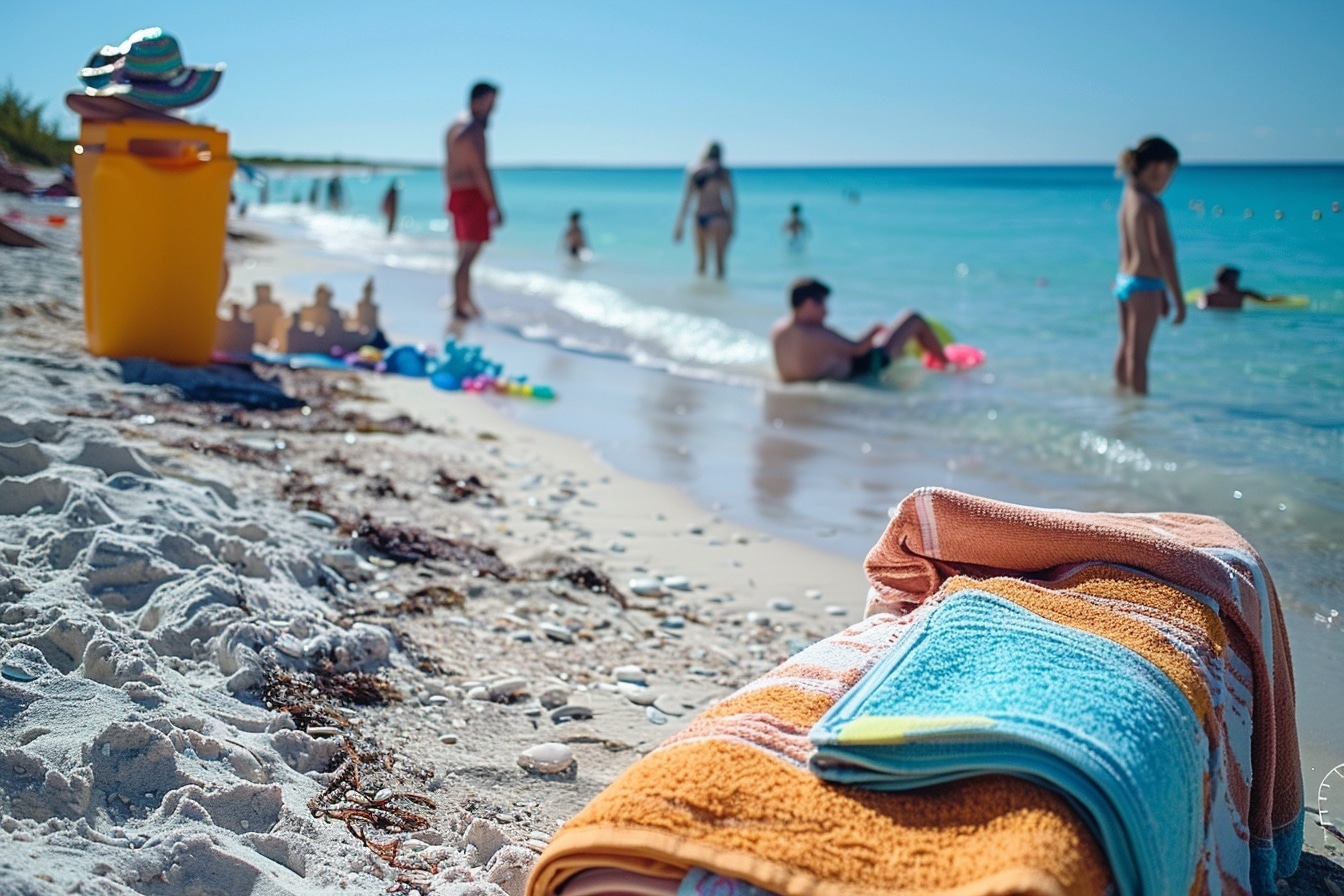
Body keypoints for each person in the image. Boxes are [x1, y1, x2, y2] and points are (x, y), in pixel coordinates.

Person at [770, 277, 948, 383]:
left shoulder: (778, 328)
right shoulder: (816, 333)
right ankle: (948, 364)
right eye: (823, 305)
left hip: (810, 379)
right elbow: (858, 348)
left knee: (897, 349)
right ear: (809, 304)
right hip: (862, 370)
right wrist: (873, 331)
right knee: (913, 318)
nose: (826, 311)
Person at [1113, 136, 1185, 395]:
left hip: (1124, 281)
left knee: (1126, 348)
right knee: (1139, 357)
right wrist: (1178, 300)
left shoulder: (1129, 197)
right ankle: (1138, 415)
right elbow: (1163, 254)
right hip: (1145, 285)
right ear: (1159, 168)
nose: (1169, 181)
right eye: (1171, 173)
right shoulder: (1152, 206)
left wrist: (1161, 292)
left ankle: (1120, 401)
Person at [445, 81, 503, 320]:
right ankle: (460, 305)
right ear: (477, 101)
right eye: (490, 103)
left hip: (456, 192)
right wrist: (495, 205)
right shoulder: (474, 130)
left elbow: (448, 167)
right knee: (470, 254)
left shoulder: (453, 127)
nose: (494, 109)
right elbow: (481, 170)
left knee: (462, 251)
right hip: (472, 193)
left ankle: (463, 299)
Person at [673, 141, 735, 278]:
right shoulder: (723, 172)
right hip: (719, 217)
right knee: (720, 264)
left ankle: (701, 295)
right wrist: (732, 224)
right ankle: (719, 296)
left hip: (699, 217)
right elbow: (732, 201)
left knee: (701, 263)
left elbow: (687, 200)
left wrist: (679, 225)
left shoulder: (694, 171)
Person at [1196, 265, 1286, 310]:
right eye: (1233, 279)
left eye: (1236, 279)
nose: (1236, 282)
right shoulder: (1208, 296)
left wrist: (1286, 299)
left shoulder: (1242, 294)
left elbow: (1266, 300)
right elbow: (1201, 309)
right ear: (1222, 281)